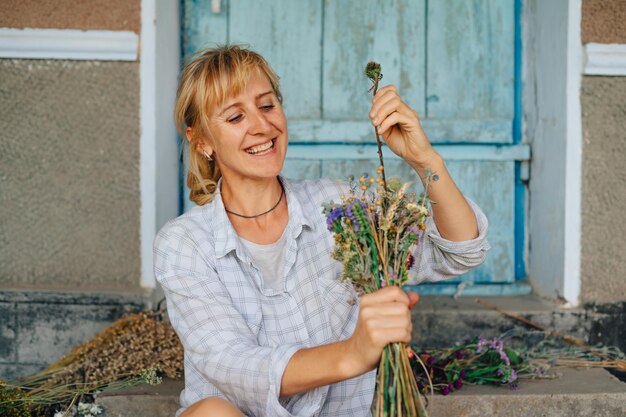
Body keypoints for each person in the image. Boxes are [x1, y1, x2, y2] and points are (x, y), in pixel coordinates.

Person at [154, 45, 490, 417]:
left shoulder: (339, 207)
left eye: (267, 106)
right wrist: (354, 353)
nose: (262, 126)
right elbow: (233, 364)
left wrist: (424, 159)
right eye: (235, 117)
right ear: (201, 141)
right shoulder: (184, 243)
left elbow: (459, 251)